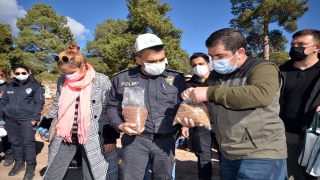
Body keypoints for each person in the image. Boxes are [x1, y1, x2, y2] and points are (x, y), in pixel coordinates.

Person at [180, 28, 288, 179]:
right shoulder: (217, 75)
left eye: (220, 56)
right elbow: (213, 104)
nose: (215, 61)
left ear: (240, 52)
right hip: (228, 152)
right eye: (212, 56)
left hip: (260, 153)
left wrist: (209, 92)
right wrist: (191, 99)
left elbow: (261, 95)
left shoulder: (263, 68)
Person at [106, 33, 186, 180]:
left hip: (166, 141)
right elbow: (111, 106)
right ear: (139, 60)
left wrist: (185, 124)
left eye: (162, 59)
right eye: (152, 61)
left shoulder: (176, 78)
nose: (158, 64)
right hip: (135, 140)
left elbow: (185, 105)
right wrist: (120, 126)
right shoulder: (122, 78)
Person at [42, 48, 119, 180]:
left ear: (82, 66)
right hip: (65, 135)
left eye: (71, 72)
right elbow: (57, 105)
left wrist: (110, 137)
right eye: (64, 73)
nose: (68, 76)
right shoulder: (62, 80)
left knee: (93, 173)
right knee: (53, 172)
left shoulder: (101, 80)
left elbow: (110, 108)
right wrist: (44, 124)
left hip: (93, 135)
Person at [279, 29, 320, 180]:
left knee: (311, 176)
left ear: (317, 47)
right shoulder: (281, 71)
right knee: (288, 175)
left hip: (314, 135)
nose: (295, 47)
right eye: (293, 44)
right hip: (284, 134)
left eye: (301, 44)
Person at [179, 52, 220, 180]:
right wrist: (184, 126)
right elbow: (186, 106)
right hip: (201, 125)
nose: (198, 67)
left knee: (226, 156)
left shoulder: (219, 79)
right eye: (194, 65)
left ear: (208, 64)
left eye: (201, 64)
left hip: (221, 123)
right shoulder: (188, 84)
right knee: (203, 156)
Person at [0, 65, 45, 180]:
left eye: (23, 73)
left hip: (27, 119)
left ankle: (30, 166)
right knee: (15, 142)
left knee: (28, 142)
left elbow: (39, 103)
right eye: (18, 73)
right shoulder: (9, 87)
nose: (20, 75)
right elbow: (3, 102)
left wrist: (35, 118)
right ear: (14, 74)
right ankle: (18, 163)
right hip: (10, 119)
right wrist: (1, 117)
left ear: (29, 73)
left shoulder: (35, 87)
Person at [0, 68, 13, 167]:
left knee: (5, 136)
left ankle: (9, 154)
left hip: (5, 115)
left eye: (1, 75)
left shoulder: (9, 86)